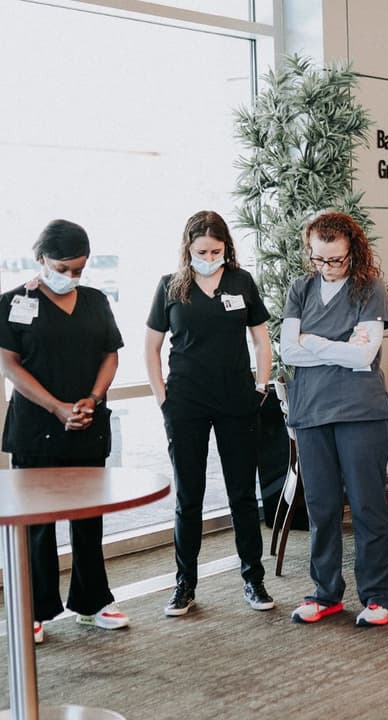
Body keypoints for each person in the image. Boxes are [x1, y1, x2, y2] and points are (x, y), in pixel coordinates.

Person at [0, 219, 129, 643]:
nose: (70, 277)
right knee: (38, 525)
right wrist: (56, 407)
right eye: (62, 268)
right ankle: (35, 609)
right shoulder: (15, 302)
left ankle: (93, 601)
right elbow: (8, 364)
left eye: (78, 270)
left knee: (88, 519)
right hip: (36, 428)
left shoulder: (97, 301)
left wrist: (93, 398)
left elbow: (110, 355)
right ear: (41, 259)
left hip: (86, 423)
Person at [145, 210, 275, 616]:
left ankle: (253, 579)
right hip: (185, 402)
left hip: (237, 399)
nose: (208, 256)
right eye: (201, 250)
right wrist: (163, 400)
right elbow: (149, 348)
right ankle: (185, 584)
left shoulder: (241, 282)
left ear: (226, 248)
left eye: (216, 250)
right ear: (188, 248)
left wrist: (260, 385)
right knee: (189, 496)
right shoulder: (171, 286)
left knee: (241, 493)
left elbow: (261, 340)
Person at [279, 211, 388, 627]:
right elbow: (288, 352)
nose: (328, 268)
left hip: (360, 412)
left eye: (336, 260)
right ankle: (325, 592)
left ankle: (381, 596)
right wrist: (334, 347)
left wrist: (311, 341)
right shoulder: (300, 289)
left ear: (353, 252)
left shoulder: (369, 289)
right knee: (322, 507)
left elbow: (364, 356)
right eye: (319, 259)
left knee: (367, 505)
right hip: (310, 410)